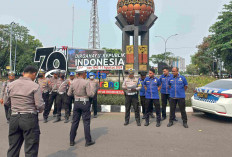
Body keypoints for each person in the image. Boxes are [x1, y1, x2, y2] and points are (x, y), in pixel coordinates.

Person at [6, 65, 44, 157]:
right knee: (30, 148)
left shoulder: (11, 85)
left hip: (14, 117)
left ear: (24, 73)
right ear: (34, 73)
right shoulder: (35, 86)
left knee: (13, 147)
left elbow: (6, 102)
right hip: (29, 118)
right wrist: (41, 109)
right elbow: (39, 105)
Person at [67, 67, 96, 147]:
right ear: (83, 73)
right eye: (85, 73)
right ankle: (88, 141)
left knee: (75, 122)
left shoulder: (73, 82)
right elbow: (90, 94)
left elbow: (69, 94)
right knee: (86, 122)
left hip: (76, 102)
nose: (86, 74)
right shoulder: (86, 82)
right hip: (85, 102)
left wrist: (76, 95)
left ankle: (71, 141)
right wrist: (93, 92)